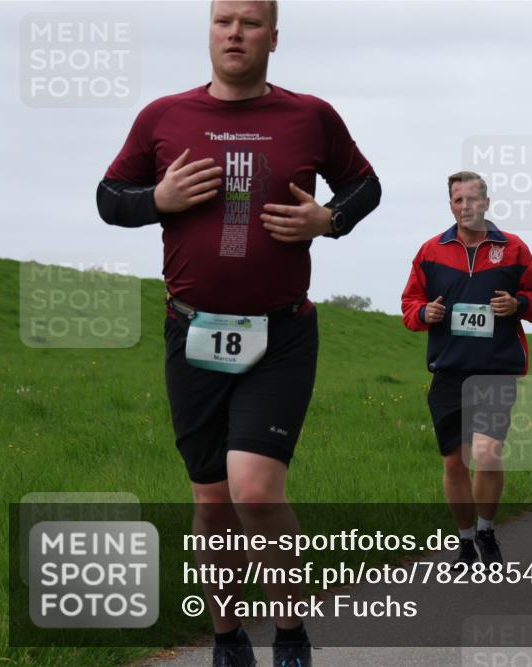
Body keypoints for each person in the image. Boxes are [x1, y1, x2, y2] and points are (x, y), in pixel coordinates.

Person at [96, 2, 381, 664]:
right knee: (211, 499)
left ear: (272, 37)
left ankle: (291, 635)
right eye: (223, 20)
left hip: (280, 335)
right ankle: (227, 637)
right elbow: (110, 198)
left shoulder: (310, 115)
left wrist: (330, 220)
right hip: (191, 331)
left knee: (254, 489)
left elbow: (365, 186)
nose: (234, 32)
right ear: (209, 31)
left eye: (250, 23)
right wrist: (156, 201)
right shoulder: (164, 116)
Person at [401, 171, 532, 570]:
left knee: (485, 452)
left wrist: (518, 304)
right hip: (449, 370)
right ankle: (465, 542)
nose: (465, 206)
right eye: (458, 200)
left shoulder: (513, 248)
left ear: (486, 203)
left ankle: (486, 530)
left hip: (495, 369)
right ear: (450, 205)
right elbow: (409, 304)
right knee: (454, 463)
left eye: (472, 199)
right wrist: (424, 313)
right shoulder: (430, 251)